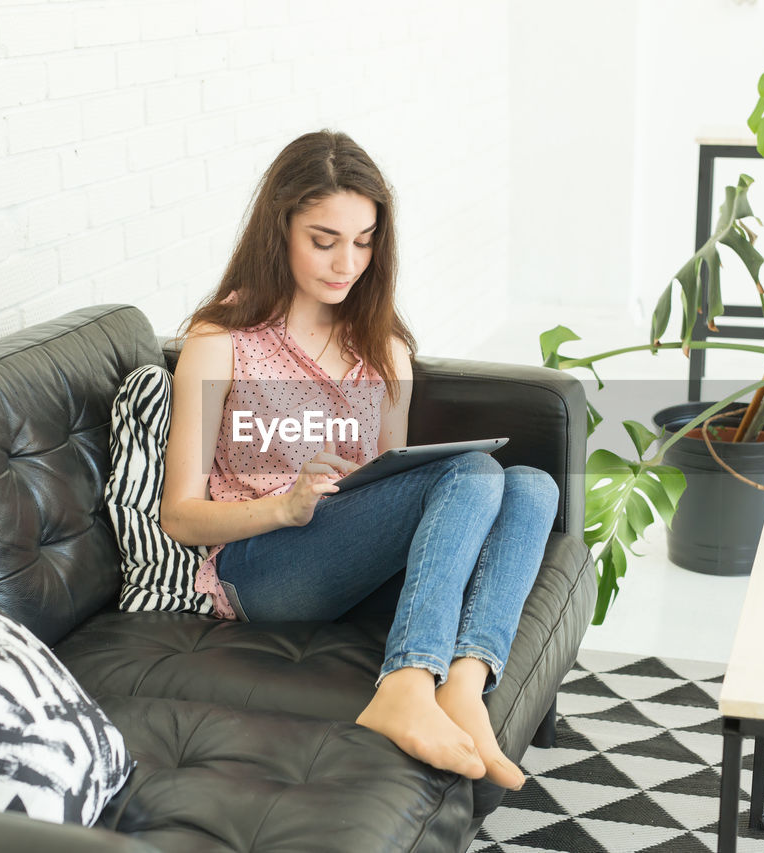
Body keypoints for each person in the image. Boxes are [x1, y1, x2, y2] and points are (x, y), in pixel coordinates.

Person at [157, 130, 558, 791]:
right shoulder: (221, 338)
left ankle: (462, 685)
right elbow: (179, 516)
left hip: (352, 560)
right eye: (324, 239)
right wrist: (285, 505)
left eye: (365, 240)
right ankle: (403, 687)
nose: (347, 261)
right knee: (475, 472)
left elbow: (393, 476)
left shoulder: (384, 345)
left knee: (534, 487)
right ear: (278, 229)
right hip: (261, 566)